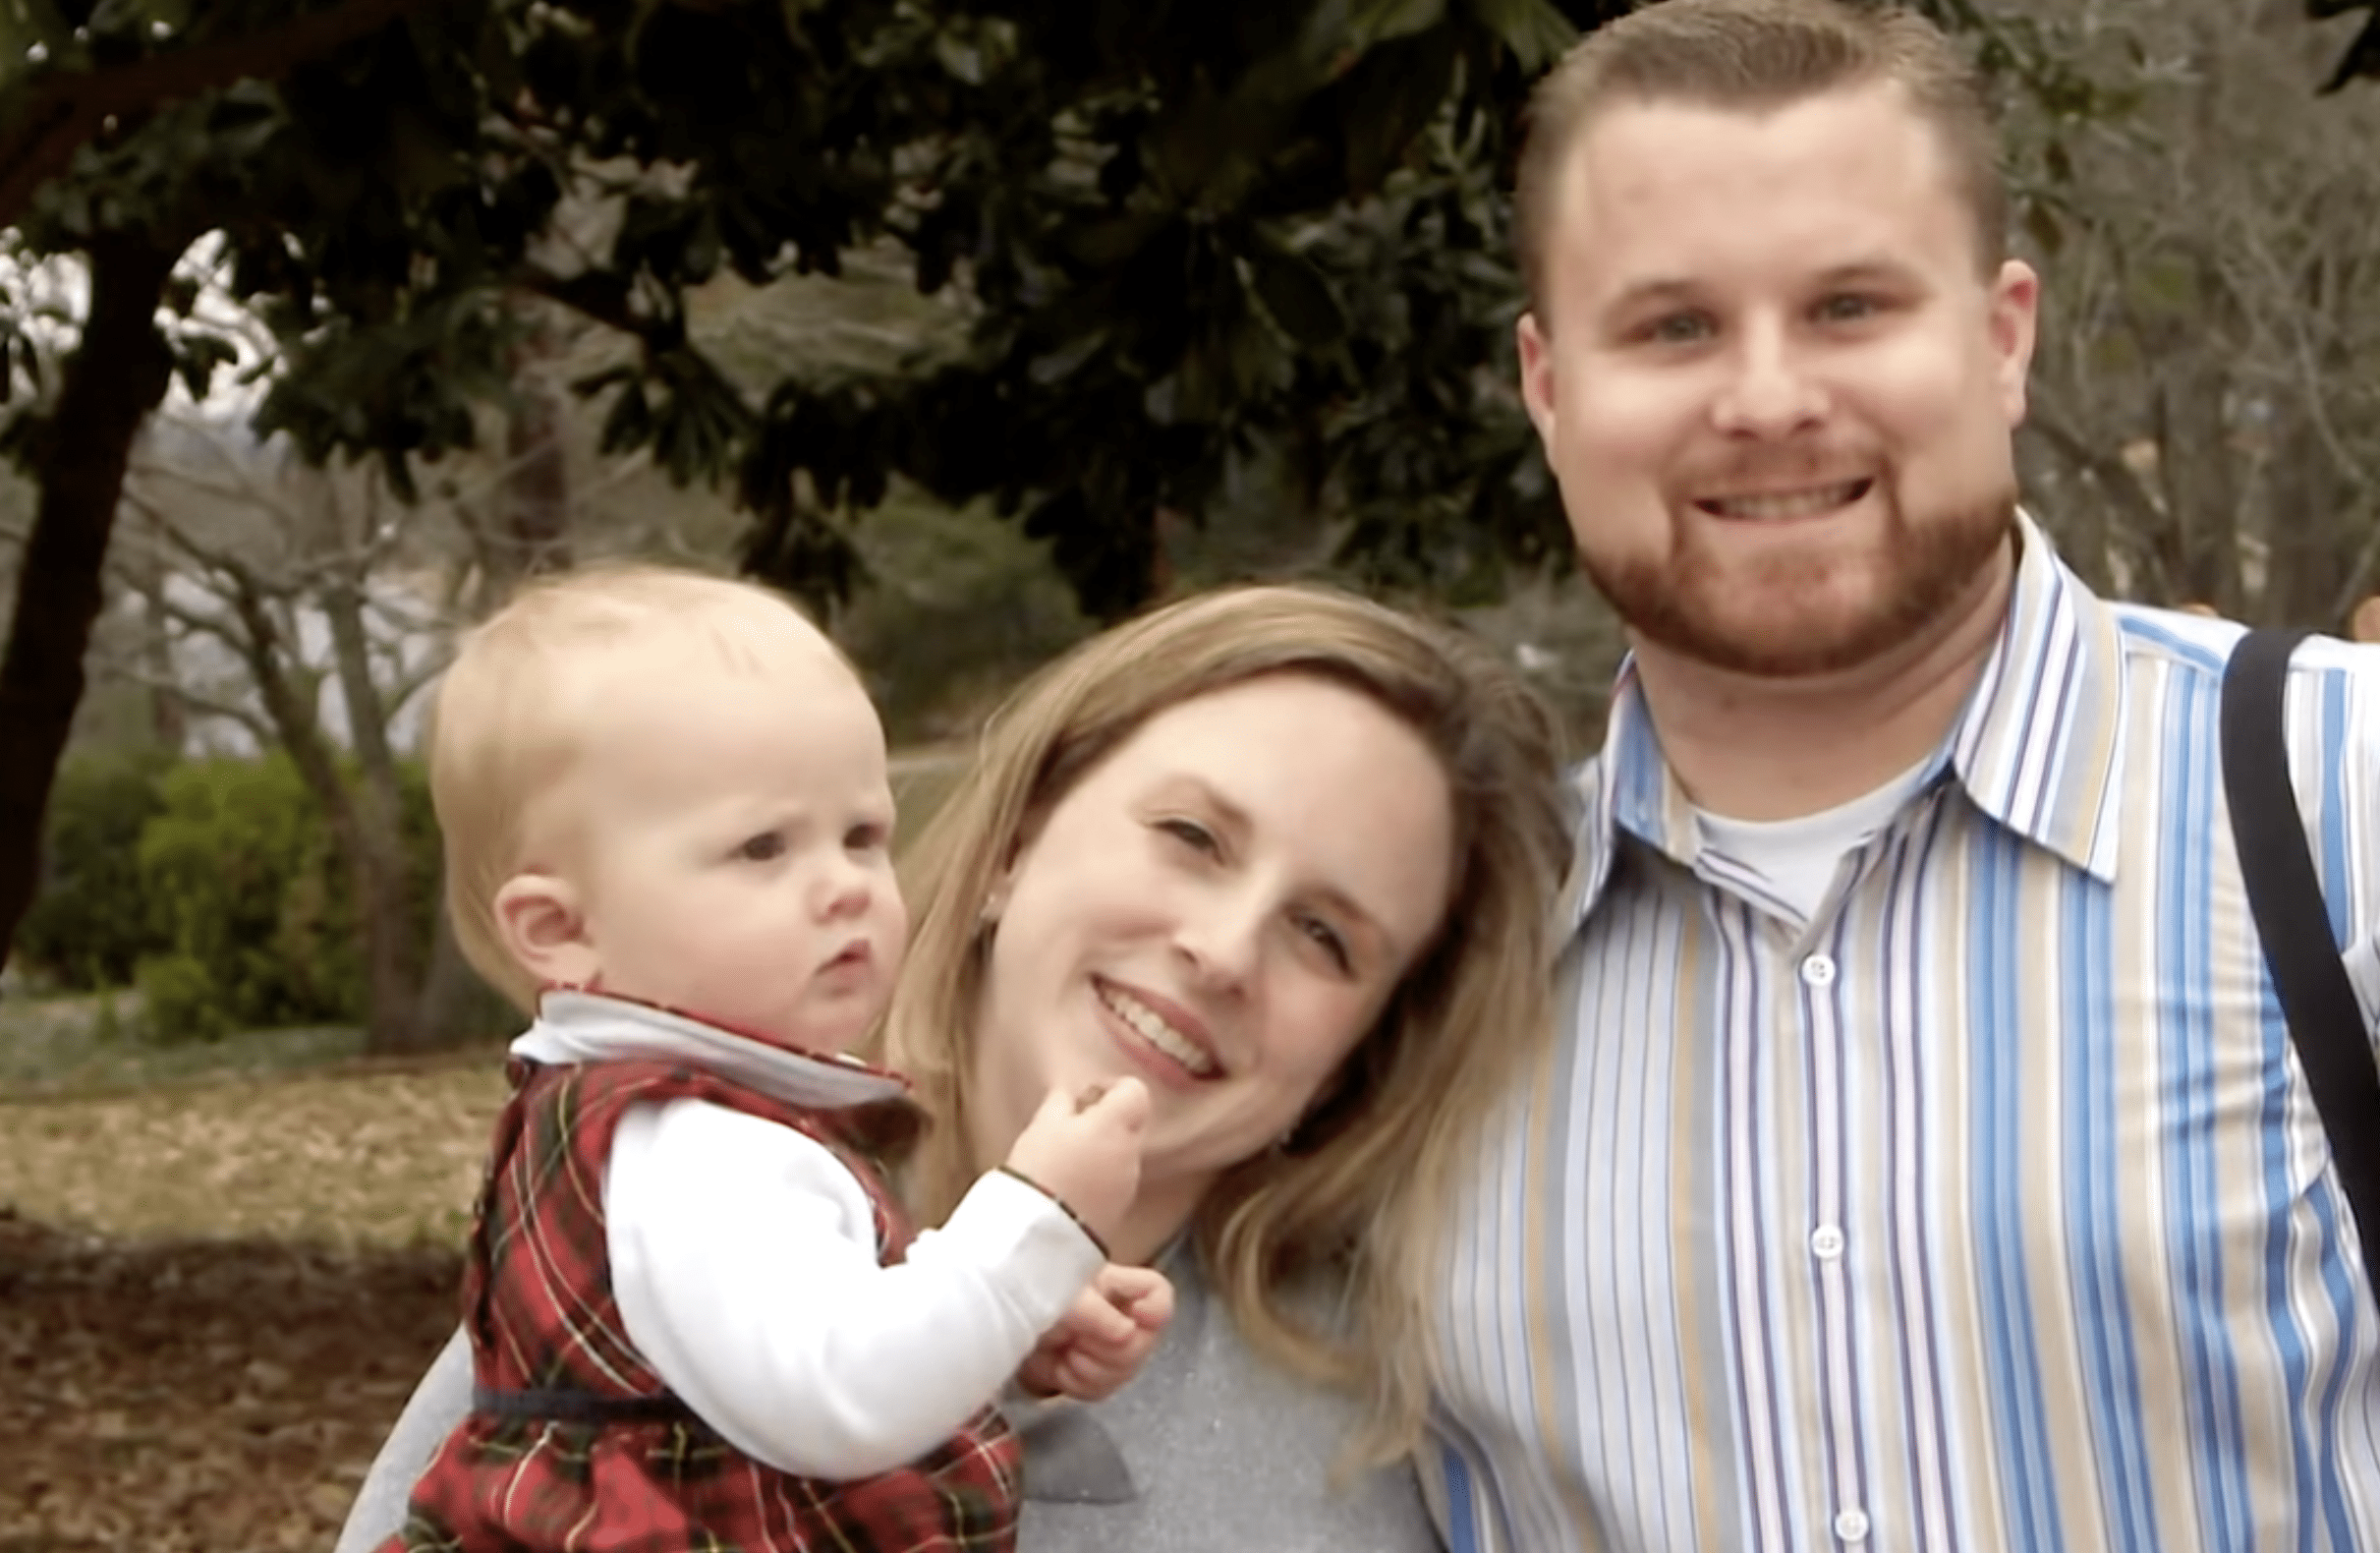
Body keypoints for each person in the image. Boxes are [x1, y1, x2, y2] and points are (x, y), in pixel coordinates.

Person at [1422, 2, 2380, 1549]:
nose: (1769, 396)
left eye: (1852, 306)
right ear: (1547, 388)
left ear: (2003, 337)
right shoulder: (1424, 963)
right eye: (1672, 326)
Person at [338, 581, 1572, 1553]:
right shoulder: (667, 1241)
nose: (1221, 948)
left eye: (1325, 935)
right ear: (1015, 841)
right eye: (1191, 835)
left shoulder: (1393, 1409)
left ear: (1364, 1043)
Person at [385, 564, 1165, 1553]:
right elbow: (842, 1394)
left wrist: (1003, 1324)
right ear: (562, 927)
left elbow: (771, 1352)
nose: (843, 884)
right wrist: (1035, 1224)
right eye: (763, 847)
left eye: (862, 834)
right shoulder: (694, 1144)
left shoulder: (654, 1118)